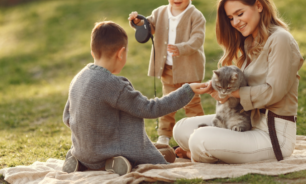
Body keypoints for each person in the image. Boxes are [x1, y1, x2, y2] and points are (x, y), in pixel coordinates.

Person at [173, 0, 304, 164]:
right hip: (245, 122)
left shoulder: (281, 40)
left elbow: (274, 92)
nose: (235, 22)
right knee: (181, 128)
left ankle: (196, 153)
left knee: (199, 139)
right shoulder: (250, 42)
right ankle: (212, 151)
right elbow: (245, 83)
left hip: (273, 135)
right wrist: (215, 87)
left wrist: (230, 93)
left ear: (259, 5)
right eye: (230, 18)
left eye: (239, 13)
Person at [62, 21, 210, 175]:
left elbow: (67, 117)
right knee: (156, 152)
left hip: (81, 151)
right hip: (106, 152)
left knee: (158, 148)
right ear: (121, 53)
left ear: (93, 52)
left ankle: (81, 161)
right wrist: (186, 90)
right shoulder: (114, 85)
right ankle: (113, 160)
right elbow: (150, 108)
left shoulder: (78, 78)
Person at [128, 0, 206, 145]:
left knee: (192, 103)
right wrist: (138, 22)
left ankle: (200, 133)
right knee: (166, 104)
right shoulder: (160, 12)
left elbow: (198, 39)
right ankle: (164, 135)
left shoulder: (196, 16)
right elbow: (149, 26)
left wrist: (181, 48)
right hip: (167, 69)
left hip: (189, 69)